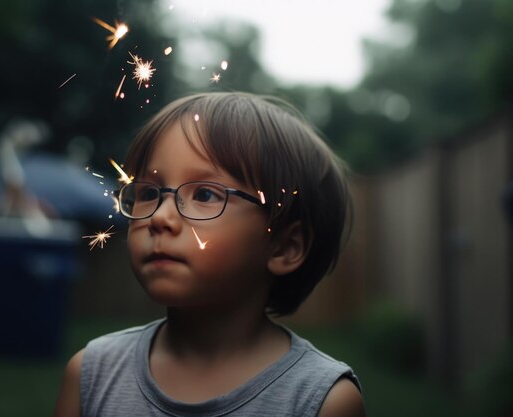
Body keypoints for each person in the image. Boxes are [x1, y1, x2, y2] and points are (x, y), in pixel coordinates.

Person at [55, 92, 365, 417]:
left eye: (204, 194)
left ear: (285, 247)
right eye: (149, 192)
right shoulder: (90, 375)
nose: (160, 217)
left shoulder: (323, 402)